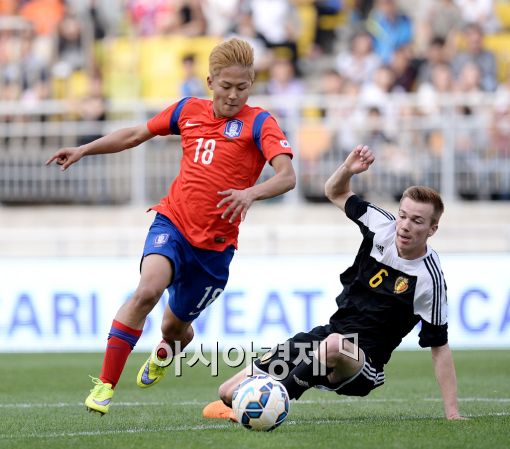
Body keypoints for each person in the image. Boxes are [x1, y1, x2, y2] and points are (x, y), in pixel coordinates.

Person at [45, 37, 296, 415]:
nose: (232, 96)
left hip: (214, 248)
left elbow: (287, 176)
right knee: (146, 291)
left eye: (241, 88)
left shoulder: (260, 122)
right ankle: (105, 386)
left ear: (252, 84)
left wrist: (251, 194)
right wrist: (84, 149)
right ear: (210, 82)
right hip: (173, 223)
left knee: (175, 330)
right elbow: (134, 135)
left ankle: (165, 353)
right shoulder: (186, 110)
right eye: (226, 87)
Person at [203, 144, 464, 421]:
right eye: (402, 215)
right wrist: (347, 170)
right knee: (229, 391)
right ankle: (242, 405)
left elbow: (440, 348)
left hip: (363, 363)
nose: (405, 225)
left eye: (417, 221)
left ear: (432, 229)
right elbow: (335, 191)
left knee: (335, 344)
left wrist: (453, 414)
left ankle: (276, 404)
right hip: (325, 339)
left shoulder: (429, 279)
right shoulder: (380, 225)